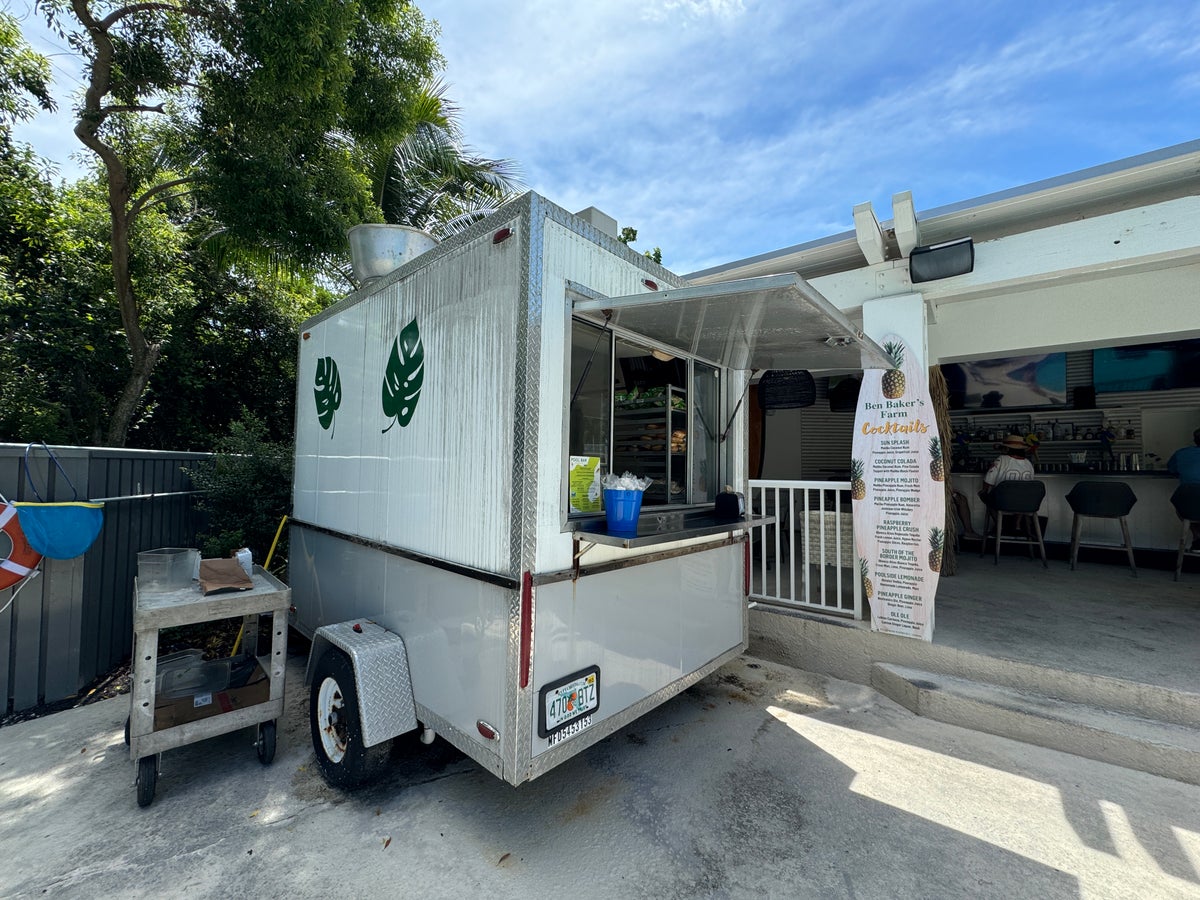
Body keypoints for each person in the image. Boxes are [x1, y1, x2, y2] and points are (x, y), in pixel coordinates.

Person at [1167, 427, 1200, 546]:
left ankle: (1197, 536)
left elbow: (1171, 469)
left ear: (1194, 440)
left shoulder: (1181, 453)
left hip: (1188, 503)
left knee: (1186, 510)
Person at [980, 434, 1035, 499]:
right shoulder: (1028, 463)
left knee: (987, 499)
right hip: (1024, 500)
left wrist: (984, 492)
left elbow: (988, 480)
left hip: (1003, 501)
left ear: (1007, 448)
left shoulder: (1001, 459)